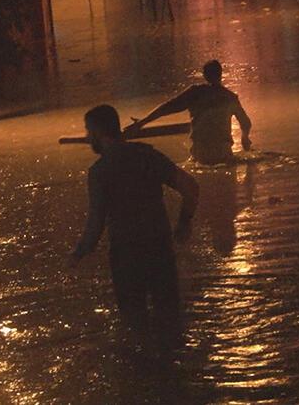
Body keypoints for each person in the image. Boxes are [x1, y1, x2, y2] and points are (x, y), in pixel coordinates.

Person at [69, 104, 199, 323]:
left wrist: (79, 253)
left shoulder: (100, 172)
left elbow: (96, 223)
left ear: (98, 132)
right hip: (160, 247)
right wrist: (184, 223)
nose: (87, 138)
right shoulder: (147, 155)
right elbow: (190, 187)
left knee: (134, 322)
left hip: (127, 254)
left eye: (88, 132)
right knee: (169, 318)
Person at [127, 60, 252, 165]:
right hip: (223, 152)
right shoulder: (230, 97)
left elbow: (166, 108)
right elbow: (245, 122)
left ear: (204, 75)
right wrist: (244, 137)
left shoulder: (195, 93)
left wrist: (142, 123)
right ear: (220, 75)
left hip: (201, 153)